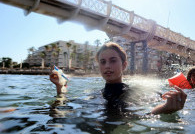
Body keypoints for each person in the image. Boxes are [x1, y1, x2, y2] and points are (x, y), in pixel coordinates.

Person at [50, 42, 187, 115]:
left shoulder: (138, 92)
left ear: (124, 65)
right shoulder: (94, 95)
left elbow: (138, 116)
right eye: (103, 62)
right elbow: (63, 108)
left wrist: (165, 107)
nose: (107, 66)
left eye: (113, 60)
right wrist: (59, 87)